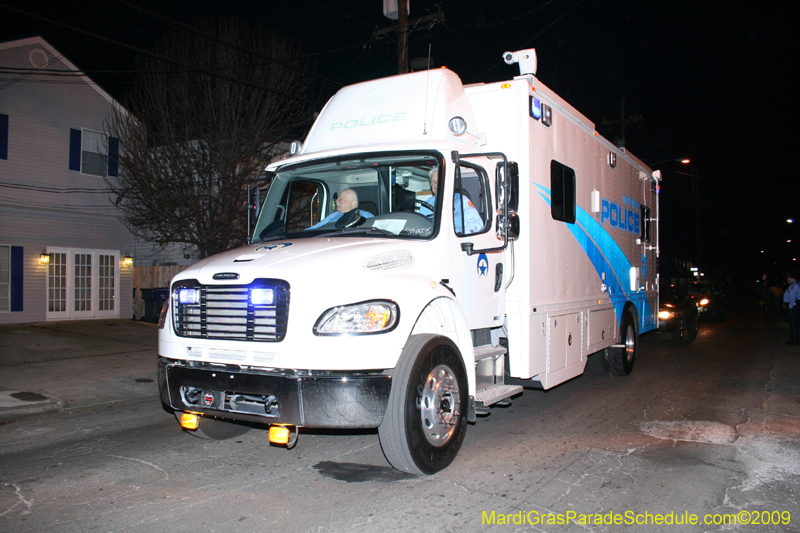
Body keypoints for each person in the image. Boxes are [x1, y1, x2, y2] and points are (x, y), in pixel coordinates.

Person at [419, 169, 483, 234]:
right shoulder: (425, 204)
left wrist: (461, 234)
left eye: (439, 180)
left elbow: (477, 223)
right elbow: (420, 226)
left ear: (447, 182)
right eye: (433, 181)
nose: (435, 184)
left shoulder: (462, 201)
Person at [308, 188, 373, 229]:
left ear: (351, 200)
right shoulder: (333, 216)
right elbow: (314, 229)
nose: (336, 201)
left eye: (340, 198)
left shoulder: (366, 216)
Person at [783, 273, 800, 345]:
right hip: (794, 306)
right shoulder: (794, 285)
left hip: (793, 306)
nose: (787, 279)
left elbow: (793, 298)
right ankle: (795, 339)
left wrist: (790, 307)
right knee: (794, 324)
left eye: (788, 278)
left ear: (791, 278)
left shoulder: (793, 286)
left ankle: (794, 341)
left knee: (793, 324)